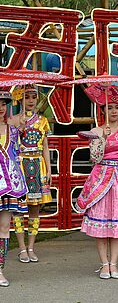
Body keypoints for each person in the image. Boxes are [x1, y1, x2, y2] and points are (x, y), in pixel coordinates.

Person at [77, 85, 118, 279]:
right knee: (102, 224)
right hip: (102, 179)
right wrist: (103, 139)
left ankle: (114, 263)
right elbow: (94, 158)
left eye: (117, 108)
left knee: (116, 225)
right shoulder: (96, 131)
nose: (114, 111)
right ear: (103, 110)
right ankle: (104, 264)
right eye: (110, 108)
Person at [10, 85, 52, 263]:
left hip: (38, 164)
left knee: (35, 208)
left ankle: (31, 247)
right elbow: (9, 146)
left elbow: (46, 147)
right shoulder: (12, 120)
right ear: (20, 99)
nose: (31, 100)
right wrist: (18, 129)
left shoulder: (42, 121)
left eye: (34, 97)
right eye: (27, 97)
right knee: (19, 210)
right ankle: (21, 248)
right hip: (20, 165)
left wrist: (49, 168)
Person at [0, 91, 26, 287]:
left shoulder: (14, 130)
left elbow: (18, 154)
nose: (1, 107)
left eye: (4, 103)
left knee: (3, 229)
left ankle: (0, 270)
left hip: (9, 186)